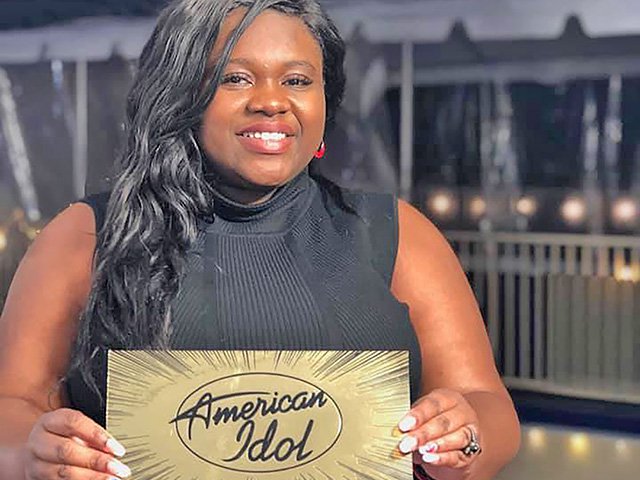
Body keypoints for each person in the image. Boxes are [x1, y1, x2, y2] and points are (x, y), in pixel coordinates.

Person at [0, 1, 520, 479]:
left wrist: (466, 436)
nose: (271, 102)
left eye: (297, 80)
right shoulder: (87, 235)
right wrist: (29, 453)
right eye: (235, 78)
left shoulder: (397, 234)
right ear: (179, 93)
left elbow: (487, 405)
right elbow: (11, 404)